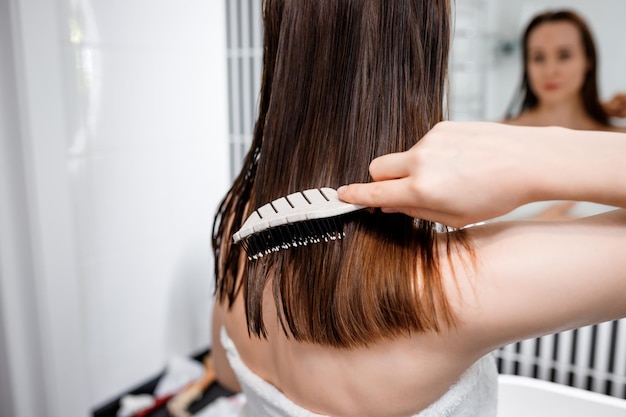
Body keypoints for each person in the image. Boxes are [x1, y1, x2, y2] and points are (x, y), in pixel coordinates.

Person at [211, 2, 626, 416]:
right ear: (422, 52)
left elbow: (229, 376)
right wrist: (536, 156)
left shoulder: (238, 229)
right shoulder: (458, 285)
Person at [504, 9, 626, 133]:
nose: (549, 71)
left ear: (588, 61)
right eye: (538, 58)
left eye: (564, 56)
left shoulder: (619, 139)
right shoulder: (495, 135)